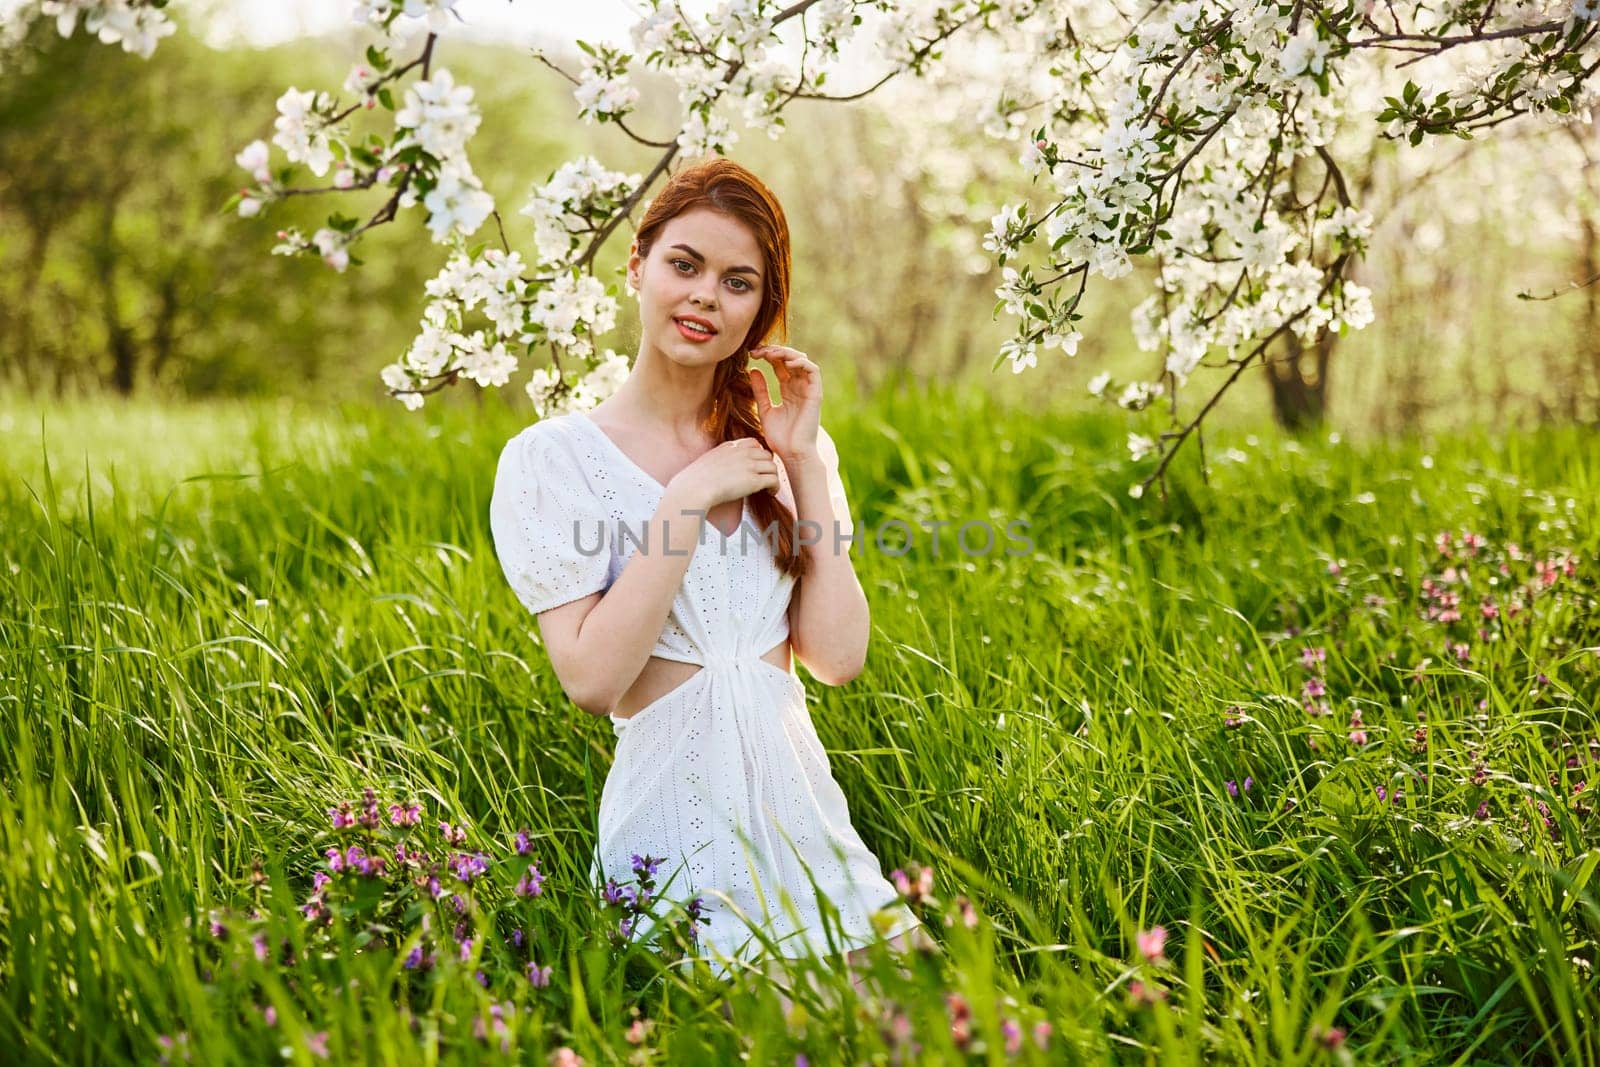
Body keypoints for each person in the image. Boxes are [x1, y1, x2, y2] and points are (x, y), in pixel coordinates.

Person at [488, 157, 925, 993]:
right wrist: (685, 500)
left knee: (943, 1030)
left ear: (762, 308)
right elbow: (593, 679)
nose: (704, 298)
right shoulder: (552, 460)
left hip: (805, 818)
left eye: (738, 282)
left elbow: (837, 658)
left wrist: (801, 459)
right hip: (674, 828)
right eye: (684, 265)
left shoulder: (788, 448)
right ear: (637, 266)